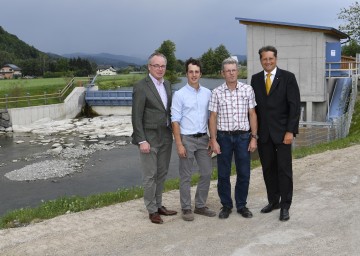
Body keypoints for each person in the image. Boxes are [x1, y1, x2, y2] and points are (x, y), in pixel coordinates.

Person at [250, 45, 301, 221]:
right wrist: (253, 134)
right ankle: (273, 201)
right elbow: (253, 109)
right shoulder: (255, 79)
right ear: (261, 61)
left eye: (271, 58)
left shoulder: (288, 78)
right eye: (265, 59)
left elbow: (294, 107)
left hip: (283, 134)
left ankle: (285, 206)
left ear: (276, 59)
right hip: (264, 135)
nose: (268, 62)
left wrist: (290, 131)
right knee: (268, 169)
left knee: (284, 170)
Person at [209, 57, 258, 219]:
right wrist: (213, 140)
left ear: (238, 71)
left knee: (244, 172)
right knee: (223, 174)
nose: (231, 73)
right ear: (223, 73)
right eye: (227, 71)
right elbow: (213, 117)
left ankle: (242, 205)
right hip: (223, 137)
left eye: (234, 70)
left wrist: (254, 137)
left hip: (243, 137)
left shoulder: (247, 90)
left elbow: (252, 114)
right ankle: (226, 205)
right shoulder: (216, 92)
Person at [131, 52, 177, 224]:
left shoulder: (167, 85)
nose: (160, 69)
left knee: (162, 173)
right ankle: (151, 210)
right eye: (156, 65)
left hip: (165, 136)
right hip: (148, 138)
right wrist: (141, 140)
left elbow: (169, 110)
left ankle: (159, 205)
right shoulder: (141, 86)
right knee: (150, 176)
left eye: (162, 66)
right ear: (149, 67)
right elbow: (136, 116)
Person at [171, 58, 216, 221]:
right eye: (191, 72)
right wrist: (179, 143)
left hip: (204, 138)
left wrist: (212, 139)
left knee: (206, 172)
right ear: (186, 74)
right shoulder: (179, 95)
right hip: (187, 139)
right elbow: (175, 121)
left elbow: (211, 118)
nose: (194, 75)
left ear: (200, 74)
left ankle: (200, 205)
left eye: (197, 72)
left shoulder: (207, 93)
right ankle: (186, 208)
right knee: (186, 176)